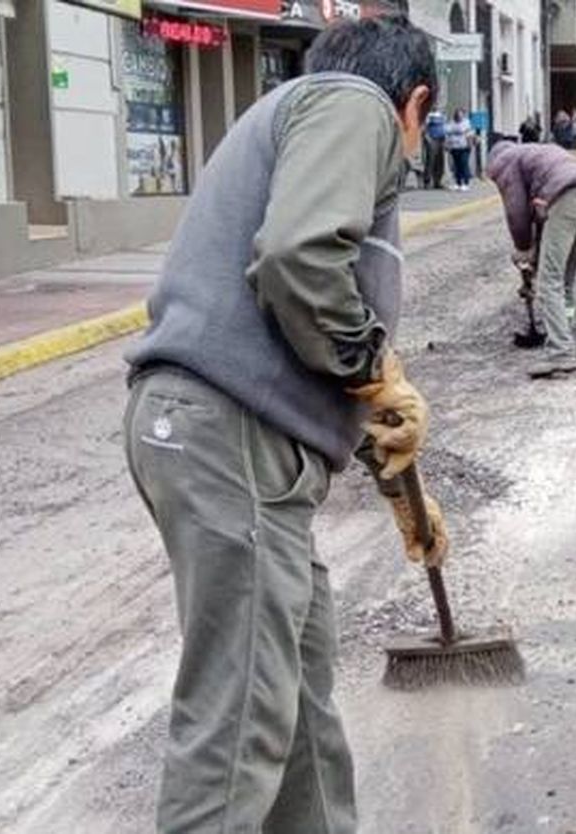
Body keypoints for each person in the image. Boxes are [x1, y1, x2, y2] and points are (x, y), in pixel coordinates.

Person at [122, 18, 448, 833]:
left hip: (230, 437)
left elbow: (319, 333)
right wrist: (373, 365)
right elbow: (300, 261)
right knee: (237, 724)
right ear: (416, 104)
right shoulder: (354, 106)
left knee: (298, 709)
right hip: (231, 433)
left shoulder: (306, 115)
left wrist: (403, 487)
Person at [488, 140, 576, 379]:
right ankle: (563, 332)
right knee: (564, 281)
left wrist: (523, 250)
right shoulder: (536, 155)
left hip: (567, 199)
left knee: (549, 281)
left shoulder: (504, 162)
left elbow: (517, 213)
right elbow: (543, 220)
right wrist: (534, 259)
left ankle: (561, 353)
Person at [447, 107, 473, 191]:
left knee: (464, 164)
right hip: (454, 147)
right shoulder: (452, 122)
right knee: (456, 165)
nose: (459, 116)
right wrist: (448, 144)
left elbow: (469, 133)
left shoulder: (466, 122)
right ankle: (458, 183)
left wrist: (470, 145)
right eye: (458, 114)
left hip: (464, 147)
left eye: (461, 114)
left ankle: (466, 183)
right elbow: (448, 132)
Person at [424, 105, 447, 187]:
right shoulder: (429, 116)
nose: (436, 106)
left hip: (441, 140)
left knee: (440, 161)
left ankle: (437, 182)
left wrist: (446, 140)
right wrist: (428, 139)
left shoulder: (442, 115)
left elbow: (444, 127)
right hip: (432, 140)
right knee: (430, 161)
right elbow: (425, 128)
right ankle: (427, 182)